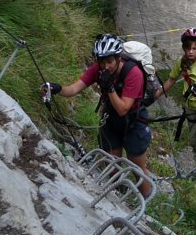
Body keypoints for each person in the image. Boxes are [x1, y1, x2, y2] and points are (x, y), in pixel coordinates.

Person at [41, 34, 153, 197]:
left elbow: (124, 109)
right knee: (111, 162)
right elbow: (73, 89)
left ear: (118, 58)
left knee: (137, 168)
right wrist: (57, 89)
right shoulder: (98, 69)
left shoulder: (133, 73)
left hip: (133, 122)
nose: (105, 66)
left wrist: (109, 88)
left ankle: (145, 205)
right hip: (111, 120)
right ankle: (116, 194)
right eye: (102, 61)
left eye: (109, 61)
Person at [156, 27, 196, 186]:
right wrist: (155, 95)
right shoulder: (182, 62)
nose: (191, 51)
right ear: (184, 48)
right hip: (190, 106)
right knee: (193, 139)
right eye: (188, 48)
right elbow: (171, 80)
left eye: (194, 48)